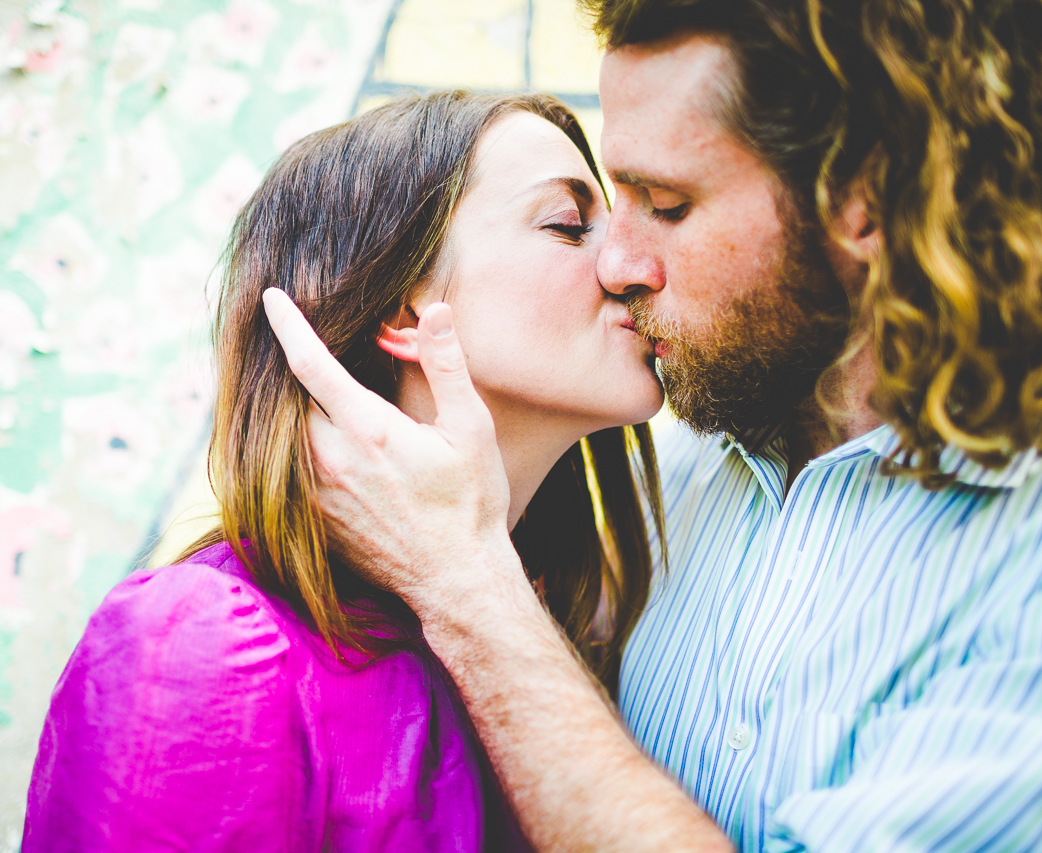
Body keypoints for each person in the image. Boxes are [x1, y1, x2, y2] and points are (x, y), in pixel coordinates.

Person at [261, 0, 1042, 851]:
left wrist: (465, 585)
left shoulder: (1019, 566)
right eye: (587, 216)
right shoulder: (679, 461)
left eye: (667, 204)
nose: (618, 262)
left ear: (866, 200)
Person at [22, 90, 671, 850]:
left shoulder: (568, 629)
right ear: (402, 312)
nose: (629, 262)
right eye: (567, 225)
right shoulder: (198, 644)